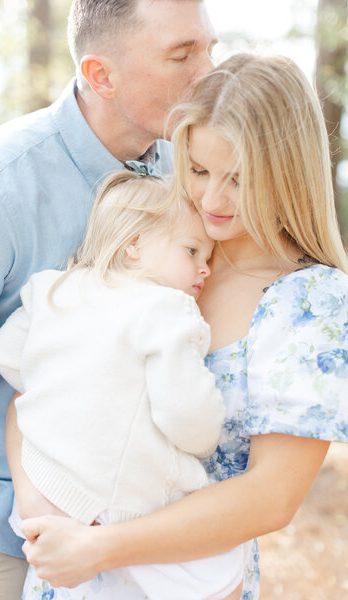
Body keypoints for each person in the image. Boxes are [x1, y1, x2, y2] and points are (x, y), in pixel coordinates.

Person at [18, 53, 348, 599]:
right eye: (197, 170)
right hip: (69, 567)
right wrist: (47, 521)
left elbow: (272, 496)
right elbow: (32, 385)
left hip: (188, 580)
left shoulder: (311, 301)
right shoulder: (155, 244)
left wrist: (100, 546)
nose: (213, 200)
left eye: (239, 180)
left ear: (287, 174)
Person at [0, 1, 215, 598]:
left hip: (157, 551)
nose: (209, 74)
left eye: (209, 50)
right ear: (100, 75)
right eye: (182, 55)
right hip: (14, 544)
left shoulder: (194, 177)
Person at [0, 170, 244, 600]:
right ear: (134, 245)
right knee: (224, 571)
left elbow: (6, 356)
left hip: (47, 487)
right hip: (128, 506)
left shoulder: (54, 287)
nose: (204, 267)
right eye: (192, 250)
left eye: (208, 256)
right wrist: (209, 434)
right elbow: (188, 419)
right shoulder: (167, 309)